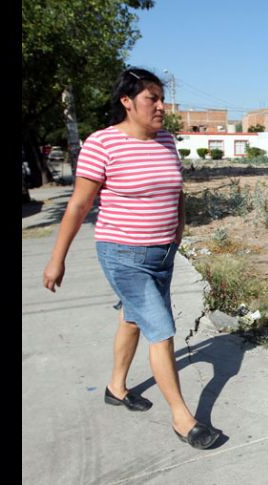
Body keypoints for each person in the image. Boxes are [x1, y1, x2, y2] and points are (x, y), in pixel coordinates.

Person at [42, 67, 220, 450]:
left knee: (133, 318)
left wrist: (179, 225)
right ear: (127, 101)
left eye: (162, 99)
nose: (161, 106)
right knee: (162, 329)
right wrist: (58, 258)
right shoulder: (102, 144)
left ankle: (115, 388)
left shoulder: (166, 140)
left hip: (163, 252)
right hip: (123, 254)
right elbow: (79, 205)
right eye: (151, 99)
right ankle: (183, 418)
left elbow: (176, 189)